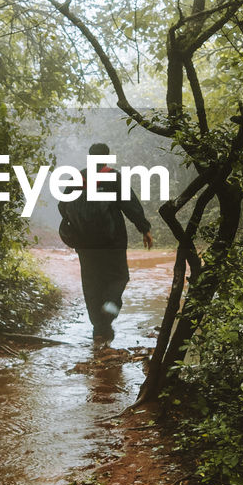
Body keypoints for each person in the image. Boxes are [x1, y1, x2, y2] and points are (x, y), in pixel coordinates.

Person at [60, 142, 154, 342]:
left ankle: (99, 329)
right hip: (112, 242)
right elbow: (129, 204)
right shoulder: (113, 176)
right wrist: (144, 228)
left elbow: (63, 206)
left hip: (85, 245)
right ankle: (109, 309)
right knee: (119, 277)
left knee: (92, 284)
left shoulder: (78, 177)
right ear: (106, 157)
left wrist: (79, 225)